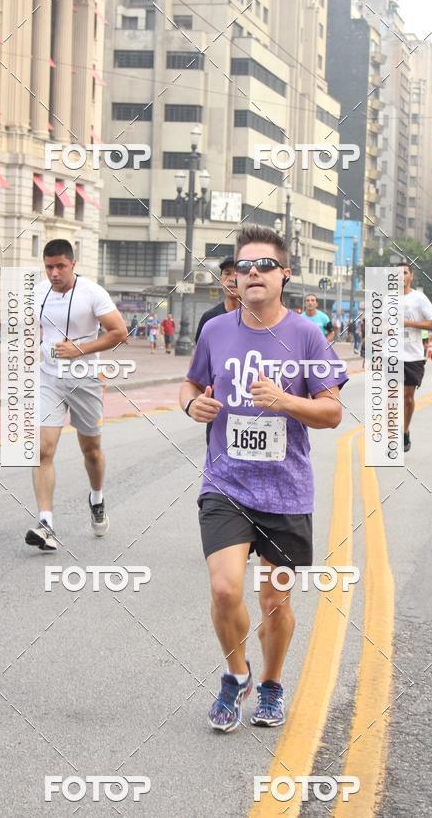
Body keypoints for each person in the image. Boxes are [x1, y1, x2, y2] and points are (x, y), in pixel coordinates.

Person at [180, 224, 348, 733]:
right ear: (235, 277)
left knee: (275, 603)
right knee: (226, 590)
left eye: (265, 266)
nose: (253, 273)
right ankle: (236, 675)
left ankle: (272, 684)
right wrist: (193, 403)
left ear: (285, 275)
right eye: (245, 266)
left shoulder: (306, 334)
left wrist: (285, 401)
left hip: (286, 490)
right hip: (226, 484)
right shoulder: (215, 330)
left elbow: (332, 412)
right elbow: (190, 381)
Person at [25, 239, 127, 551]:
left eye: (60, 266)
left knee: (91, 449)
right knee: (42, 449)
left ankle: (96, 498)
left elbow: (119, 332)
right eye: (49, 267)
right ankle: (46, 523)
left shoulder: (92, 293)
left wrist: (79, 349)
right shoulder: (38, 292)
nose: (54, 273)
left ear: (73, 264)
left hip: (85, 379)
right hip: (49, 378)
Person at [402, 263, 432, 452]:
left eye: (404, 273)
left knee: (407, 398)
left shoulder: (419, 298)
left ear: (411, 276)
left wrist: (407, 323)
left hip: (413, 356)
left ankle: (405, 431)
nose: (400, 276)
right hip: (391, 355)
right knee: (392, 397)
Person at [195, 257, 240, 342]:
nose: (232, 279)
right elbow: (201, 352)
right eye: (227, 273)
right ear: (220, 279)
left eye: (237, 274)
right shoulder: (209, 318)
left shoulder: (256, 317)